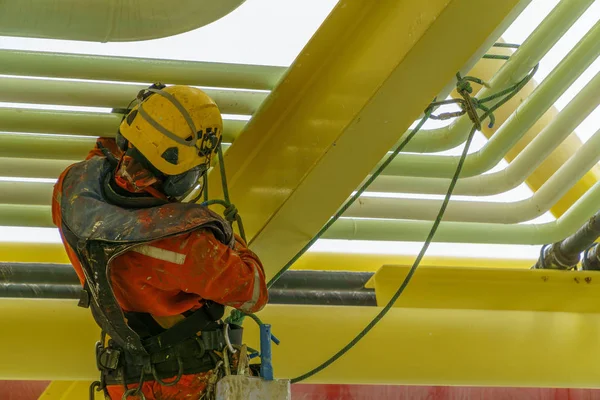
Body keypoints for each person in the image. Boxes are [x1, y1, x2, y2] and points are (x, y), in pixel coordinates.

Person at [51, 84, 268, 399]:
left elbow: (103, 159)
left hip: (123, 379)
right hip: (184, 382)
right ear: (183, 177)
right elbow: (254, 292)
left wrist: (151, 122)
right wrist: (227, 237)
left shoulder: (70, 191)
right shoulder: (188, 243)